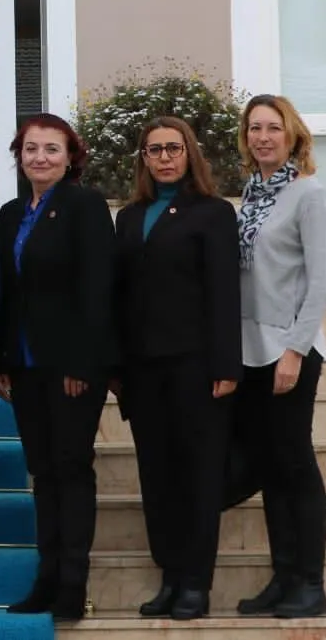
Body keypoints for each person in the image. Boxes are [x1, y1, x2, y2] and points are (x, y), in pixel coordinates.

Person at [111, 116, 241, 621]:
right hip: (143, 372)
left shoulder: (212, 214)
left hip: (197, 366)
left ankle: (195, 583)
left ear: (189, 154)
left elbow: (224, 293)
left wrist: (226, 363)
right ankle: (168, 576)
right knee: (157, 476)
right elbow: (119, 295)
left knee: (199, 476)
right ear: (143, 158)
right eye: (154, 150)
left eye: (173, 148)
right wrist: (117, 367)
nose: (165, 157)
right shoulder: (129, 216)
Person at [0, 114, 115, 623]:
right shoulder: (10, 212)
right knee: (42, 472)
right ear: (19, 155)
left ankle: (72, 583)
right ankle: (45, 579)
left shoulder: (84, 206)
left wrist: (84, 359)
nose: (40, 158)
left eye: (52, 149)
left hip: (71, 366)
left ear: (70, 158)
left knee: (71, 469)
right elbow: (3, 291)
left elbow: (98, 286)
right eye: (31, 149)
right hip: (24, 365)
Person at [233, 94, 326, 619]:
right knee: (270, 467)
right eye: (255, 128)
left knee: (295, 464)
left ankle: (311, 584)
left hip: (289, 349)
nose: (263, 137)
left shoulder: (307, 194)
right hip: (250, 352)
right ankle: (284, 575)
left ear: (293, 136)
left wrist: (294, 351)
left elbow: (321, 283)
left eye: (273, 128)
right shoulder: (250, 196)